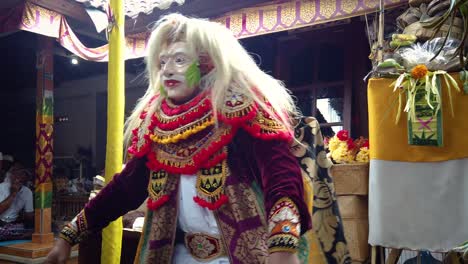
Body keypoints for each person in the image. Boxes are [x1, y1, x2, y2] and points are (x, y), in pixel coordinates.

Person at [46, 14, 312, 264]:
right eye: (162, 63)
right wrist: (70, 235)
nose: (167, 70)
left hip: (242, 255)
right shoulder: (155, 127)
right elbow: (124, 189)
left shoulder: (242, 110)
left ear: (207, 63)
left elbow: (282, 177)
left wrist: (283, 245)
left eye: (179, 60)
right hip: (174, 255)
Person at [0, 166, 34, 241]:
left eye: (23, 175)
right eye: (17, 174)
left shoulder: (27, 192)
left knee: (33, 230)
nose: (20, 177)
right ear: (11, 176)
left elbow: (29, 216)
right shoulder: (1, 187)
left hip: (14, 224)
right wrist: (13, 194)